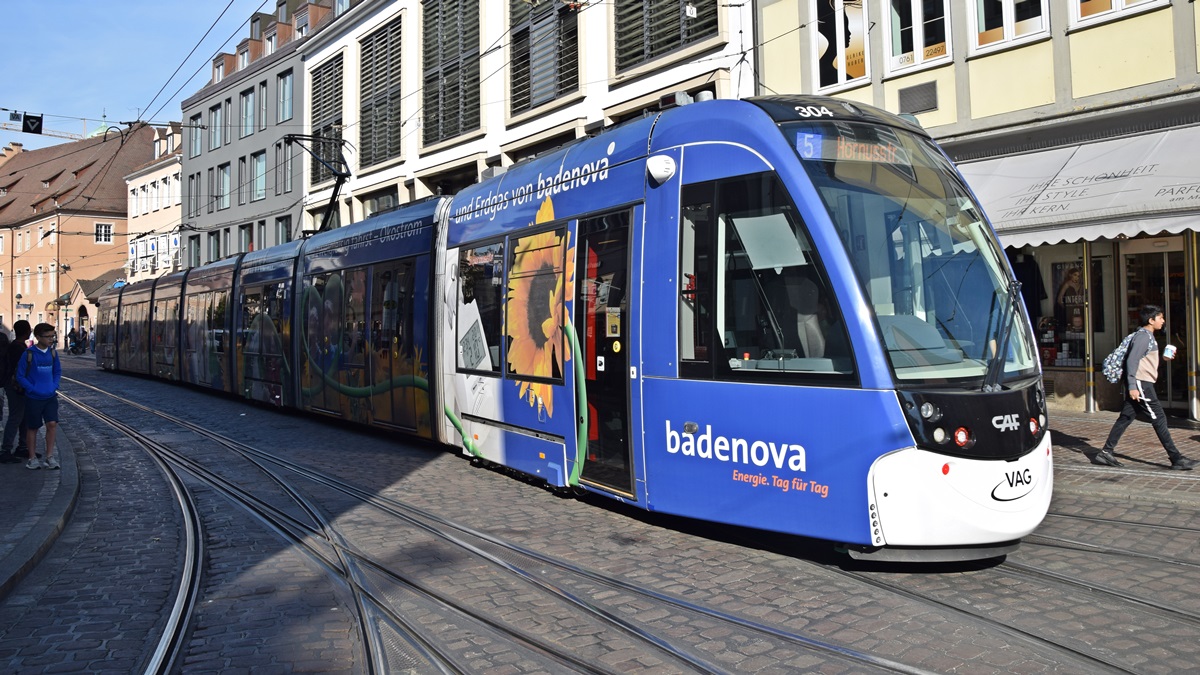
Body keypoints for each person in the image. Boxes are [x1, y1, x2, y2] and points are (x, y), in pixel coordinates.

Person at [1094, 305, 1198, 470]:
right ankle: (1176, 458)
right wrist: (1132, 386)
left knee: (1126, 417)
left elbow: (1144, 361)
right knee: (1160, 419)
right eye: (1160, 318)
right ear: (1151, 320)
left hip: (1141, 383)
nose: (1163, 321)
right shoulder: (1143, 337)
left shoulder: (1147, 337)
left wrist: (1164, 358)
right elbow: (1132, 361)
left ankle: (1105, 453)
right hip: (1141, 384)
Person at [16, 323, 62, 470]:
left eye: (52, 336)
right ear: (37, 337)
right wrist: (32, 388)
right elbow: (20, 376)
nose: (50, 339)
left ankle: (49, 456)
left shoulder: (53, 353)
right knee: (33, 427)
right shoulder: (29, 354)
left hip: (50, 396)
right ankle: (32, 458)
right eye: (47, 336)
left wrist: (54, 385)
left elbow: (57, 371)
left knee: (52, 424)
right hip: (34, 397)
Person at [0, 320, 30, 463]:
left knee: (23, 417)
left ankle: (23, 446)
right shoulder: (19, 348)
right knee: (15, 417)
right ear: (27, 332)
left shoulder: (16, 346)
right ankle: (6, 449)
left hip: (16, 385)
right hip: (15, 386)